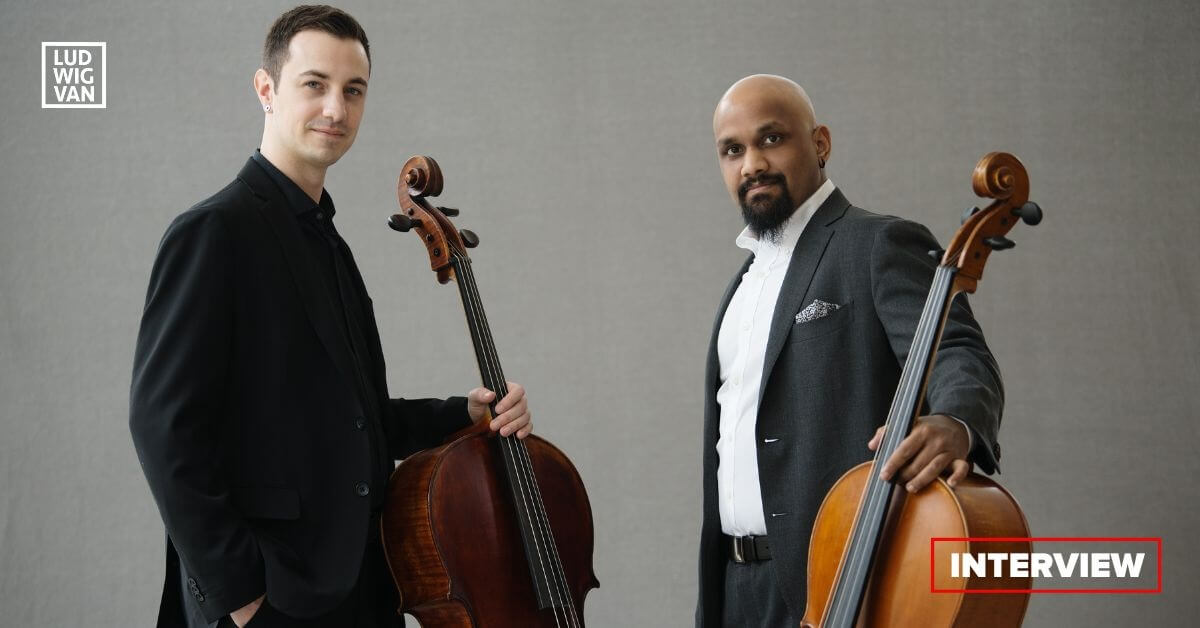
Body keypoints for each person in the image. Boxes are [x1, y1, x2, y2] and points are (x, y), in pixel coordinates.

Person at [129, 6, 532, 627]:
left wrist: (466, 415)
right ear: (266, 89)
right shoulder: (214, 232)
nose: (335, 109)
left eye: (353, 90)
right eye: (314, 84)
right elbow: (163, 427)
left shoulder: (328, 243)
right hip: (273, 594)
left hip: (364, 587)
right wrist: (240, 595)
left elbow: (357, 420)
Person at [695, 75, 1004, 626]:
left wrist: (955, 421)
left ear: (820, 143)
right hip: (735, 588)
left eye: (771, 139)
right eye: (732, 150)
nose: (752, 165)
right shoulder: (743, 283)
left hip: (832, 575)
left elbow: (958, 350)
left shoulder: (877, 242)